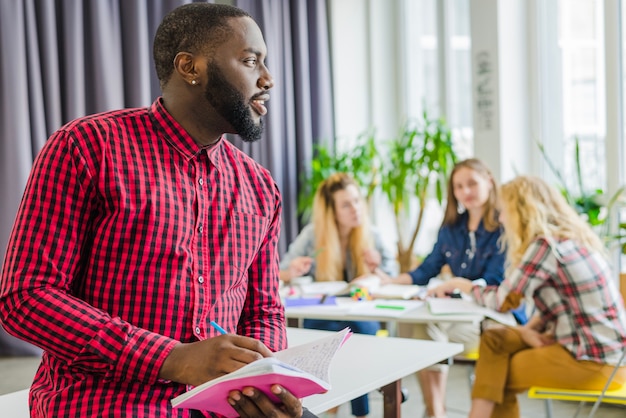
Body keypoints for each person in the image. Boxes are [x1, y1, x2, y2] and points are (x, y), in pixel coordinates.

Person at [0, 4, 315, 418]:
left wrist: (261, 378)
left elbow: (263, 311)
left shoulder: (259, 186)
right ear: (190, 67)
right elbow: (26, 298)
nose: (268, 79)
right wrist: (170, 358)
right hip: (106, 405)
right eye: (251, 61)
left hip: (224, 407)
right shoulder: (87, 147)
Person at [433, 175, 626, 418]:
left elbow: (502, 301)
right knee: (494, 339)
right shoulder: (572, 240)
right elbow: (561, 305)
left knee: (496, 374)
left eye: (503, 212)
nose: (501, 219)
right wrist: (527, 332)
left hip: (593, 363)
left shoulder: (545, 246)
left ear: (521, 211)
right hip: (606, 353)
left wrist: (463, 285)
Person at [378, 158, 506, 418]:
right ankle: (436, 411)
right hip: (460, 316)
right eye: (458, 186)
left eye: (472, 183)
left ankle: (434, 412)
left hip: (492, 319)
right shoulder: (451, 228)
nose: (465, 192)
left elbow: (495, 279)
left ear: (489, 181)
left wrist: (458, 284)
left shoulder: (504, 226)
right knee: (419, 324)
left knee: (424, 329)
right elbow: (426, 270)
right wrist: (391, 281)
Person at [280, 172, 398, 418]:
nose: (355, 208)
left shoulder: (372, 234)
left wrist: (377, 269)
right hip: (324, 314)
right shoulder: (313, 235)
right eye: (346, 204)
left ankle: (360, 413)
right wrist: (291, 271)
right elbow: (283, 269)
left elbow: (394, 278)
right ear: (332, 211)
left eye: (357, 201)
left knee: (360, 334)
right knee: (323, 334)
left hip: (360, 314)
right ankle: (326, 406)